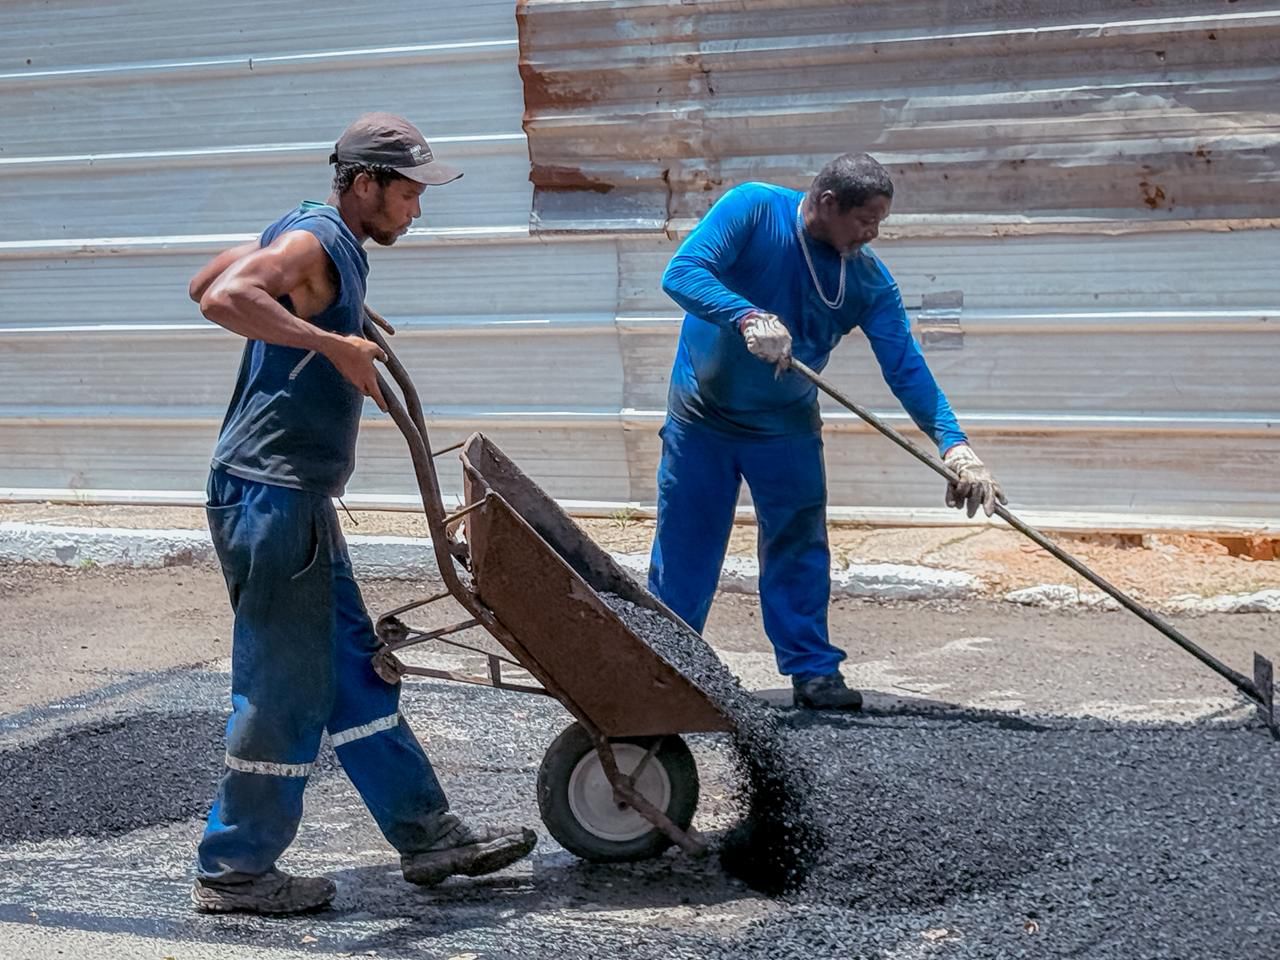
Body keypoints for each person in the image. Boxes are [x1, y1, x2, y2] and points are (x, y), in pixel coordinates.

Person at [185, 113, 536, 915]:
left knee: (352, 665)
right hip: (271, 496)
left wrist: (337, 321)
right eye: (408, 193)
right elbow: (228, 298)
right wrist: (329, 343)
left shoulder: (313, 236)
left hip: (290, 494)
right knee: (284, 686)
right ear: (366, 184)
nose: (416, 209)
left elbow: (203, 281)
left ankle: (429, 834)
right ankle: (235, 868)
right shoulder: (316, 239)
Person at [648, 153, 1005, 712]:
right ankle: (663, 662)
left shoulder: (867, 282)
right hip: (703, 417)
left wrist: (954, 445)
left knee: (798, 541)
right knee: (687, 540)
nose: (873, 233)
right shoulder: (753, 209)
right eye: (866, 219)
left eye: (879, 222)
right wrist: (745, 316)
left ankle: (813, 672)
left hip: (784, 427)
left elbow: (905, 367)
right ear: (827, 202)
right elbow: (683, 272)